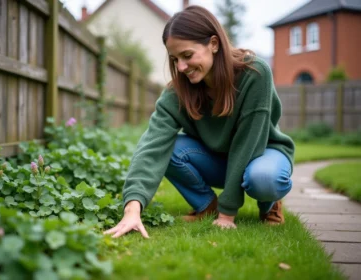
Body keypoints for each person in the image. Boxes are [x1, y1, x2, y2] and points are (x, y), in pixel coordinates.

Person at [104, 5, 294, 239]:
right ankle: (206, 206)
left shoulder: (254, 73)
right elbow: (151, 147)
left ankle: (269, 205)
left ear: (214, 44)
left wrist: (227, 215)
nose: (181, 67)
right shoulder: (177, 93)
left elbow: (248, 144)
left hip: (262, 152)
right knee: (169, 148)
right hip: (218, 160)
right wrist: (132, 209)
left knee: (263, 179)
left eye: (187, 55)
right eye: (175, 59)